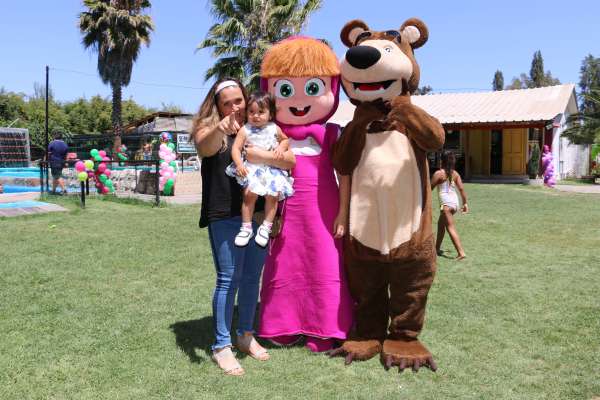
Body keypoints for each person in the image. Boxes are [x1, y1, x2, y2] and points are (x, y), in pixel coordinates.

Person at [190, 77, 296, 376]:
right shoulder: (210, 129)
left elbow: (289, 161)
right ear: (217, 106)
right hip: (224, 214)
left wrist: (264, 155)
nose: (235, 107)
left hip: (258, 214)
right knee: (228, 279)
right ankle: (221, 346)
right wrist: (219, 128)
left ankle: (246, 335)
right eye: (228, 103)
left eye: (239, 100)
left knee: (251, 279)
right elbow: (205, 146)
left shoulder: (260, 127)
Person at [257, 36, 354, 353]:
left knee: (325, 264)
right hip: (284, 211)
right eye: (285, 90)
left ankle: (325, 327)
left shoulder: (333, 134)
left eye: (312, 87)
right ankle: (281, 323)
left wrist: (343, 213)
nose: (299, 99)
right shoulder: (271, 134)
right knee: (284, 264)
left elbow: (346, 175)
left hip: (324, 211)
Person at [225, 91, 294, 248]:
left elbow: (285, 140)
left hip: (271, 168)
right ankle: (246, 228)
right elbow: (236, 148)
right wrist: (239, 164)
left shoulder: (274, 128)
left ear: (270, 114)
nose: (255, 116)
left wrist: (281, 148)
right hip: (252, 168)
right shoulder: (245, 129)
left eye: (261, 112)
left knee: (273, 195)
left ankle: (266, 227)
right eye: (251, 112)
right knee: (249, 195)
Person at [431, 151, 468, 260]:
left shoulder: (439, 173)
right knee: (441, 225)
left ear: (441, 161)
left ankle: (461, 253)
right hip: (455, 203)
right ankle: (436, 248)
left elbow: (429, 188)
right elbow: (461, 189)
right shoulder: (455, 173)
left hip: (446, 205)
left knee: (450, 227)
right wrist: (465, 203)